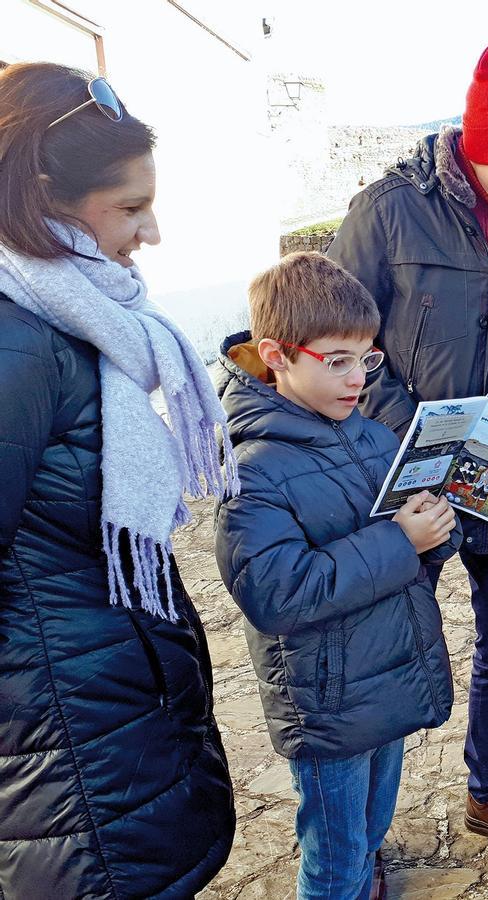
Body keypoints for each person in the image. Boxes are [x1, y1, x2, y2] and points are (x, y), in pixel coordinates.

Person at [328, 42, 488, 867]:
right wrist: (413, 427)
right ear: (477, 145)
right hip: (413, 480)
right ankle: (361, 837)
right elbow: (341, 341)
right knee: (388, 652)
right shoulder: (387, 211)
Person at [0, 62, 237, 896]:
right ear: (39, 198)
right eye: (131, 208)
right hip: (64, 762)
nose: (153, 232)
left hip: (110, 733)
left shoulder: (78, 317)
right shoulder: (17, 344)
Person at [213, 251, 460, 900]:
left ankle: (366, 876)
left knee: (369, 829)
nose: (358, 378)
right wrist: (399, 541)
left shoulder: (372, 436)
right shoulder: (255, 468)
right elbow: (276, 593)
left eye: (366, 359)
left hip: (389, 675)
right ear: (278, 355)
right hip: (327, 703)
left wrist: (439, 523)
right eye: (338, 360)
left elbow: (413, 551)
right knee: (333, 856)